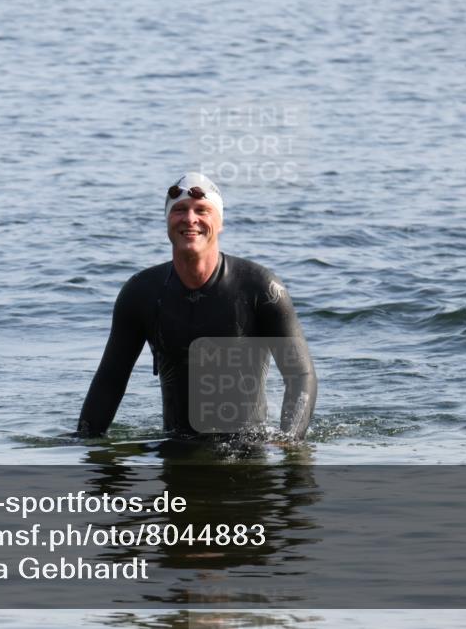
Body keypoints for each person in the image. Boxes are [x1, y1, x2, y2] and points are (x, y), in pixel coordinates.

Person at [76, 172, 316, 439]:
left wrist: (290, 443)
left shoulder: (262, 288)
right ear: (168, 221)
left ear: (220, 222)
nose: (190, 219)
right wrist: (86, 446)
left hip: (246, 457)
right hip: (175, 451)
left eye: (202, 210)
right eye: (179, 210)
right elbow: (110, 380)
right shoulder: (141, 293)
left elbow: (300, 375)